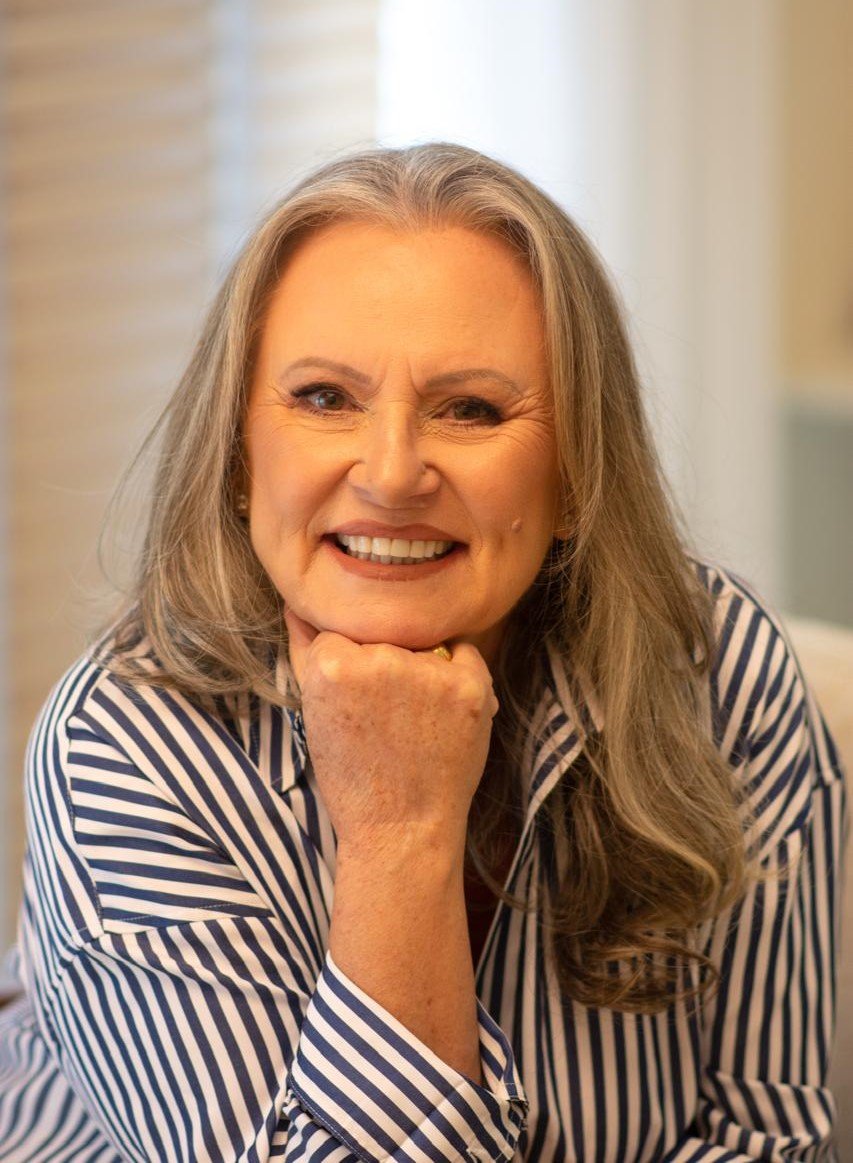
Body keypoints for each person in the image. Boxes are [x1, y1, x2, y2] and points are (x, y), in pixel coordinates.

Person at [0, 142, 846, 1162]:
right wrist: (398, 829)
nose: (393, 472)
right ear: (237, 456)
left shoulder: (712, 667)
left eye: (471, 408)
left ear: (577, 473)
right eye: (324, 397)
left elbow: (763, 1133)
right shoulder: (122, 748)